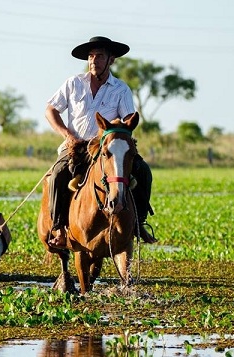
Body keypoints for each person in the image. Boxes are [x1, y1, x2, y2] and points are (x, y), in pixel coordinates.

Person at [45, 36, 157, 248]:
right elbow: (51, 110)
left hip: (107, 147)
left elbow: (127, 120)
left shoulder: (121, 89)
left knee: (143, 171)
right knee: (58, 174)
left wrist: (117, 127)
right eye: (91, 56)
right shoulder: (73, 83)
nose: (94, 60)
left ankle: (138, 223)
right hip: (76, 147)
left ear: (111, 60)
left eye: (100, 56)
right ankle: (59, 228)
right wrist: (67, 135)